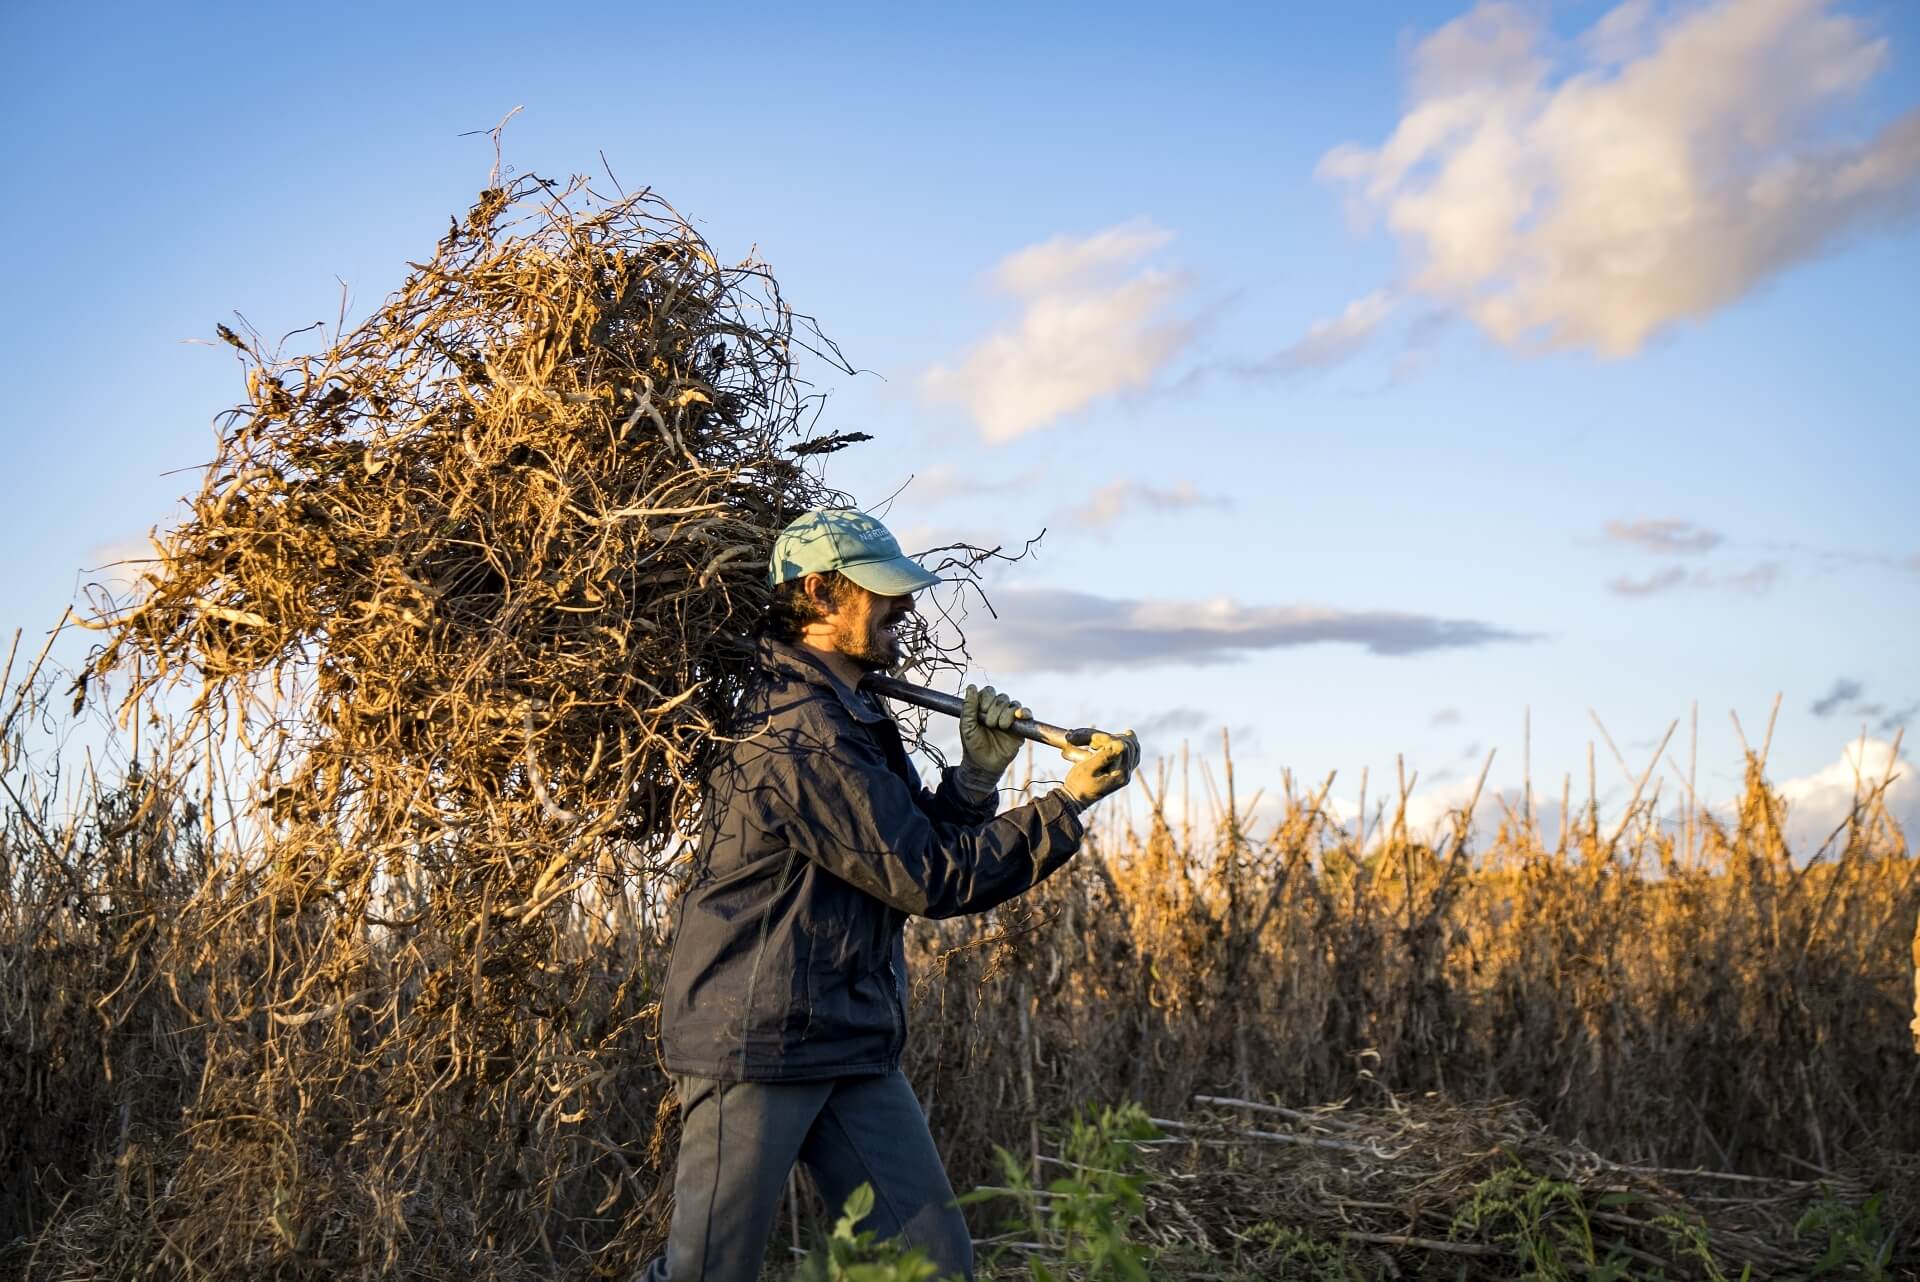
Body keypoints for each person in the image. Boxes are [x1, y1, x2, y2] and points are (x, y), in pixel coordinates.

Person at [641, 508, 1138, 1281]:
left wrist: (976, 776)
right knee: (710, 1274)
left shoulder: (854, 713)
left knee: (932, 1263)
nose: (905, 606)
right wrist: (1066, 806)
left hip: (846, 1035)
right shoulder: (794, 735)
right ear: (818, 593)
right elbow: (929, 879)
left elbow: (906, 850)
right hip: (757, 1042)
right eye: (883, 592)